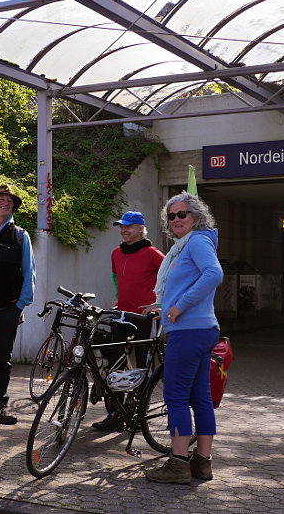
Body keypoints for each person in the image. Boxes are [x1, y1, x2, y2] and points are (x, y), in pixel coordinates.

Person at [143, 192, 223, 484]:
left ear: (197, 217)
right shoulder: (186, 246)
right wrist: (164, 306)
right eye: (171, 215)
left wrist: (179, 306)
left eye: (182, 214)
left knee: (175, 396)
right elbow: (192, 282)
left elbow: (213, 274)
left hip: (189, 331)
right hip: (199, 329)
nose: (176, 219)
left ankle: (178, 465)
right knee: (200, 397)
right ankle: (202, 464)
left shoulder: (198, 241)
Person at [92, 210, 164, 432]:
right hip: (122, 315)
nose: (123, 230)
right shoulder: (116, 253)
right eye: (121, 227)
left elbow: (172, 278)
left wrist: (161, 303)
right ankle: (115, 414)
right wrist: (119, 297)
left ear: (141, 229)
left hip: (145, 317)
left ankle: (140, 415)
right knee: (115, 364)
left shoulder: (154, 254)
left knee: (142, 365)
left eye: (129, 226)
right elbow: (116, 277)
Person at [0, 184, 35, 425]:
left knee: (4, 361)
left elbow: (29, 272)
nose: (5, 202)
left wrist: (19, 305)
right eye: (0, 198)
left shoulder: (20, 235)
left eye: (9, 200)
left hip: (7, 310)